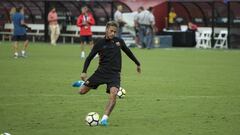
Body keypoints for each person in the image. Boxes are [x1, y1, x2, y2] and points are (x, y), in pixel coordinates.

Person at [79, 21, 141, 126]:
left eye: (115, 32)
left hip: (114, 75)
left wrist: (137, 64)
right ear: (106, 30)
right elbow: (89, 58)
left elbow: (128, 52)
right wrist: (84, 71)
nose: (113, 33)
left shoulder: (119, 41)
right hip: (100, 73)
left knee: (113, 95)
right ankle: (81, 83)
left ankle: (104, 119)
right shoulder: (99, 43)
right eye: (111, 31)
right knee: (81, 91)